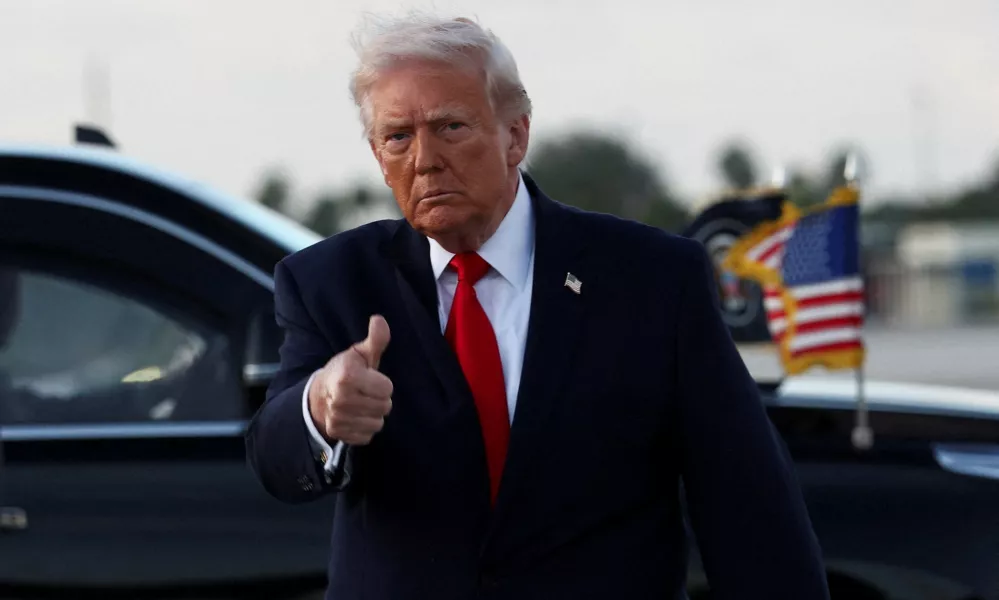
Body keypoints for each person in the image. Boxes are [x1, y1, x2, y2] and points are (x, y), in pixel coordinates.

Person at [246, 14, 829, 600]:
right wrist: (319, 410)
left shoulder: (651, 279)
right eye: (398, 137)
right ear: (378, 154)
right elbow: (275, 458)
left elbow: (747, 506)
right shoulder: (331, 282)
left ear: (516, 137)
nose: (424, 159)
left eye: (451, 126)